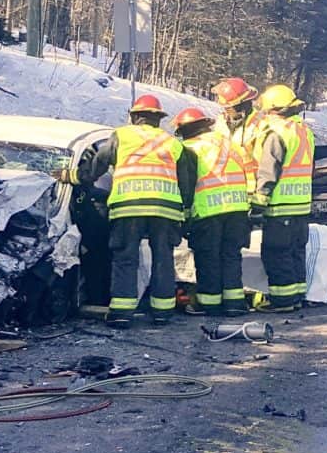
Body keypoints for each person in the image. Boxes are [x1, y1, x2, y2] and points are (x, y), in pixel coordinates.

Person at [77, 95, 191, 328]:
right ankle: (163, 313)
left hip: (129, 207)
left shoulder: (122, 135)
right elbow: (186, 182)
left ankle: (121, 313)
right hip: (166, 210)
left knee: (125, 258)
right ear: (158, 118)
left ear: (134, 116)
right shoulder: (172, 143)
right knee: (163, 259)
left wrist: (80, 178)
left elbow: (100, 162)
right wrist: (185, 209)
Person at [173, 107, 252, 317]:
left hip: (209, 211)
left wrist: (185, 215)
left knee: (208, 258)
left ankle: (209, 303)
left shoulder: (190, 148)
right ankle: (234, 303)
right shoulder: (226, 142)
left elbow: (187, 186)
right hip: (237, 208)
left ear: (184, 130)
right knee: (231, 256)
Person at [249, 84, 315, 313]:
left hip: (280, 207)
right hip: (301, 206)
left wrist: (258, 202)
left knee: (277, 253)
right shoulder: (303, 130)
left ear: (273, 109)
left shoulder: (276, 133)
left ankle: (283, 301)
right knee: (296, 252)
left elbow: (269, 171)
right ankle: (297, 296)